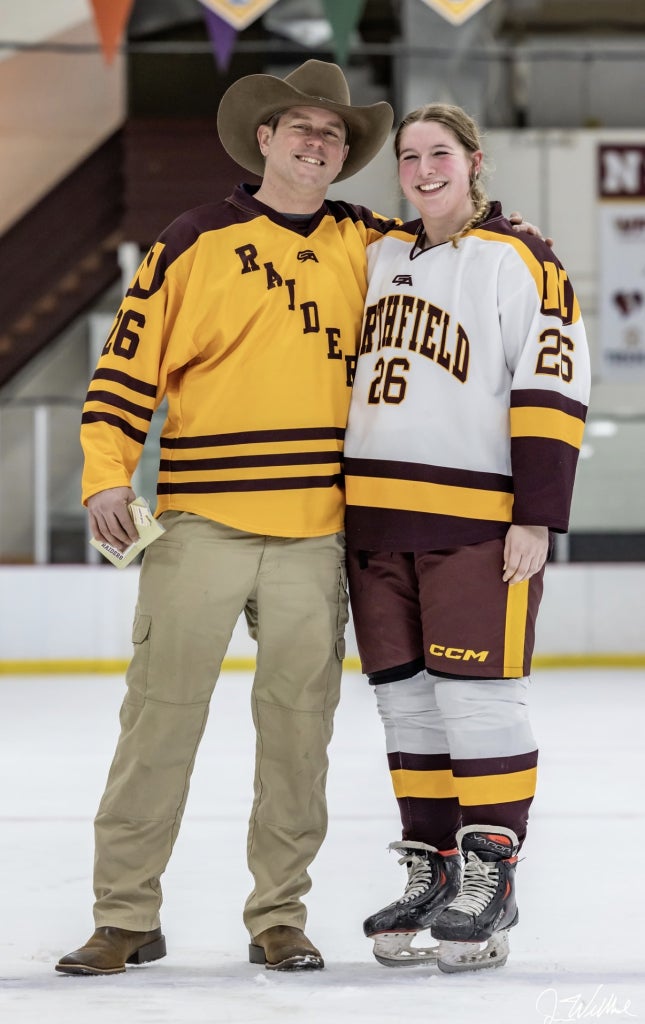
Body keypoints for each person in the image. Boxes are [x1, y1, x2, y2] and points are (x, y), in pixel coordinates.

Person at [55, 59, 397, 977]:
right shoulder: (192, 238)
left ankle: (278, 916)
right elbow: (125, 372)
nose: (316, 144)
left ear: (342, 153)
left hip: (318, 529)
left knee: (298, 735)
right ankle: (125, 914)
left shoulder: (374, 242)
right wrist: (104, 476)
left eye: (332, 134)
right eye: (301, 129)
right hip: (202, 521)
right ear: (265, 139)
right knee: (158, 723)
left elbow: (456, 252)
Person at [343, 103, 590, 973]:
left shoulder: (520, 256)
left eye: (438, 153)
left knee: (476, 696)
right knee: (404, 700)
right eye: (407, 156)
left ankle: (490, 871)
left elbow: (553, 381)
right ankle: (432, 865)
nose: (421, 168)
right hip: (372, 523)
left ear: (473, 161)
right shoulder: (375, 255)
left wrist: (536, 512)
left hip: (474, 520)